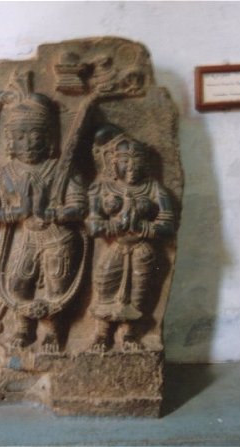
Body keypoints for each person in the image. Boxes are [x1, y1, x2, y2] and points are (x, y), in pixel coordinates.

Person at [0, 93, 87, 352]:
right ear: (10, 141)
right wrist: (18, 211)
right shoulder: (1, 174)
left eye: (35, 135)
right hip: (22, 235)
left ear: (49, 138)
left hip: (58, 236)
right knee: (16, 282)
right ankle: (23, 329)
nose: (28, 143)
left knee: (56, 282)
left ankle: (51, 331)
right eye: (20, 136)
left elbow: (79, 208)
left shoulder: (61, 171)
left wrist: (50, 213)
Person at [86, 124, 174, 352]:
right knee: (105, 282)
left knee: (140, 288)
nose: (132, 167)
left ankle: (129, 334)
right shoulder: (102, 188)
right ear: (114, 163)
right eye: (126, 161)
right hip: (116, 244)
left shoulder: (153, 188)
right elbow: (93, 225)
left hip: (143, 248)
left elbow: (168, 224)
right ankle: (102, 333)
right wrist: (115, 225)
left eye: (137, 162)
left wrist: (144, 228)